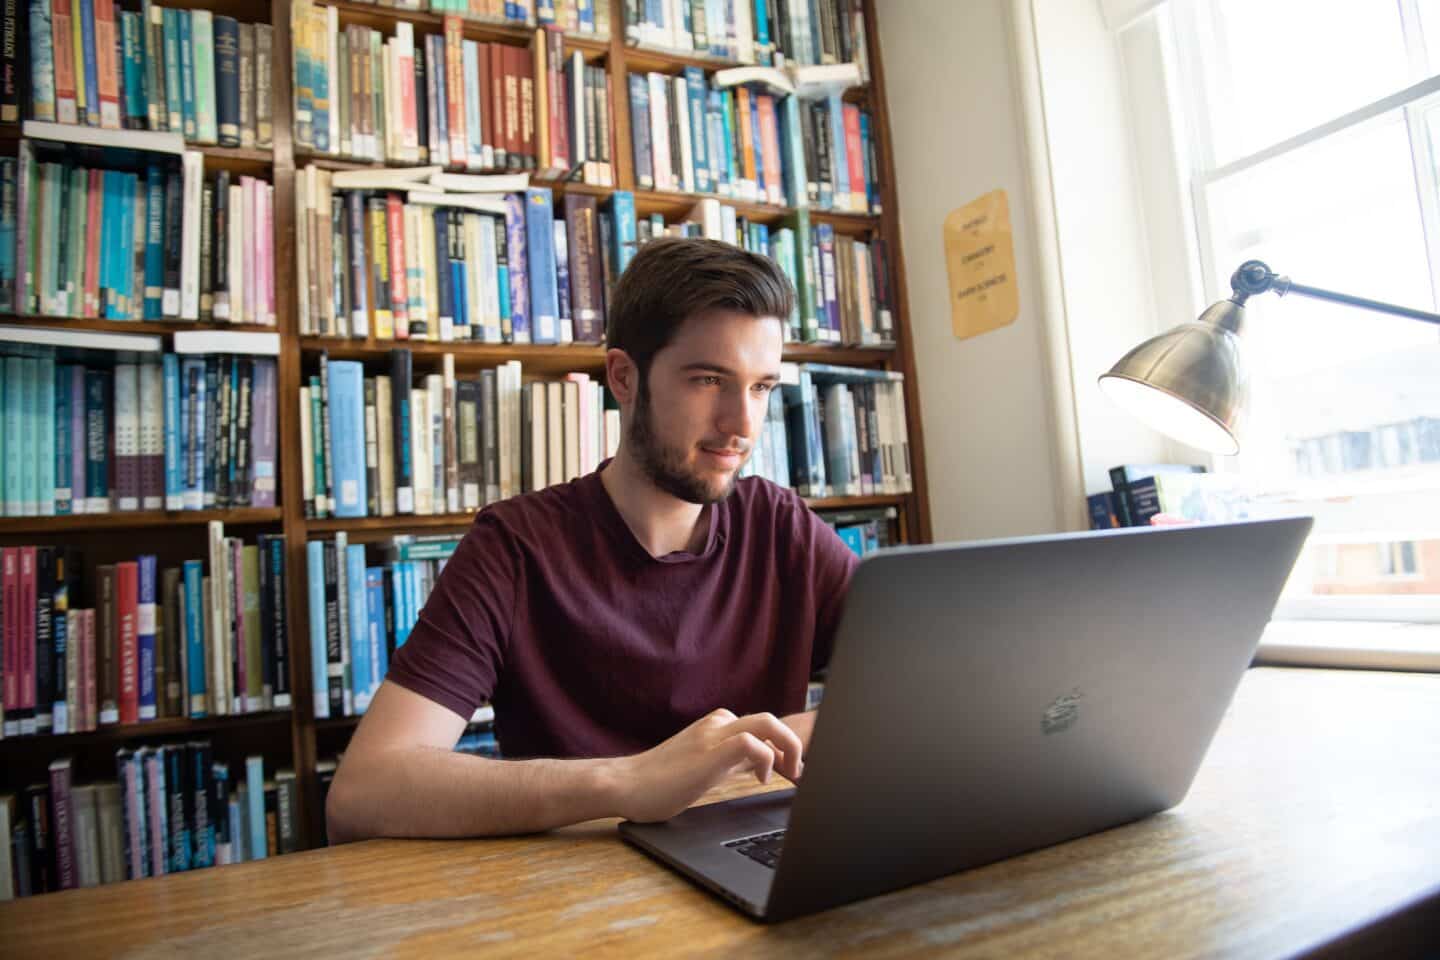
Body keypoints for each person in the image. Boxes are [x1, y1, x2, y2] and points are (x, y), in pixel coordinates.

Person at [325, 237, 860, 842]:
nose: (741, 424)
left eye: (761, 387)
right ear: (624, 378)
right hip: (577, 899)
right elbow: (363, 791)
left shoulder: (780, 527)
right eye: (709, 379)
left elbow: (918, 685)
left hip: (753, 858)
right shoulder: (515, 548)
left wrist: (758, 741)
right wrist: (627, 782)